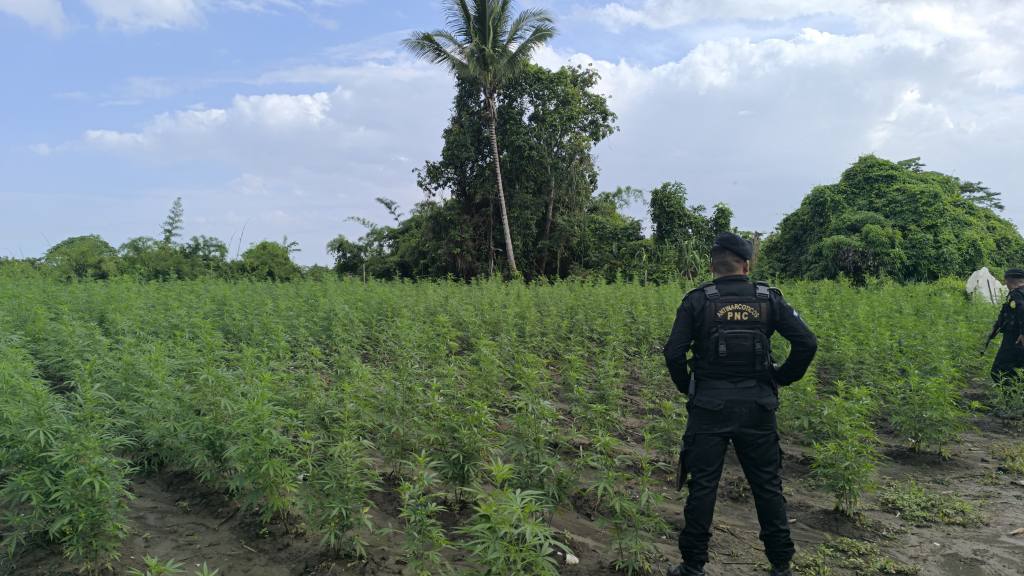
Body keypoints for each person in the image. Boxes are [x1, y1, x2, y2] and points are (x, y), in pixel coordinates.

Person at [663, 232, 818, 576]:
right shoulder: (768, 299)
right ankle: (780, 565)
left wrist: (687, 387)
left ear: (712, 266)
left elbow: (673, 352)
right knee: (767, 486)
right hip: (757, 406)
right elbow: (807, 342)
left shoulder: (697, 301)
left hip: (708, 406)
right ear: (746, 265)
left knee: (703, 486)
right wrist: (782, 377)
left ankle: (692, 565)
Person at [990, 268, 1024, 383]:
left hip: (1015, 338)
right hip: (1017, 337)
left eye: (1006, 281)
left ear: (1009, 280)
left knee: (999, 369)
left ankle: (1013, 396)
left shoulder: (1016, 294)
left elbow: (1022, 310)